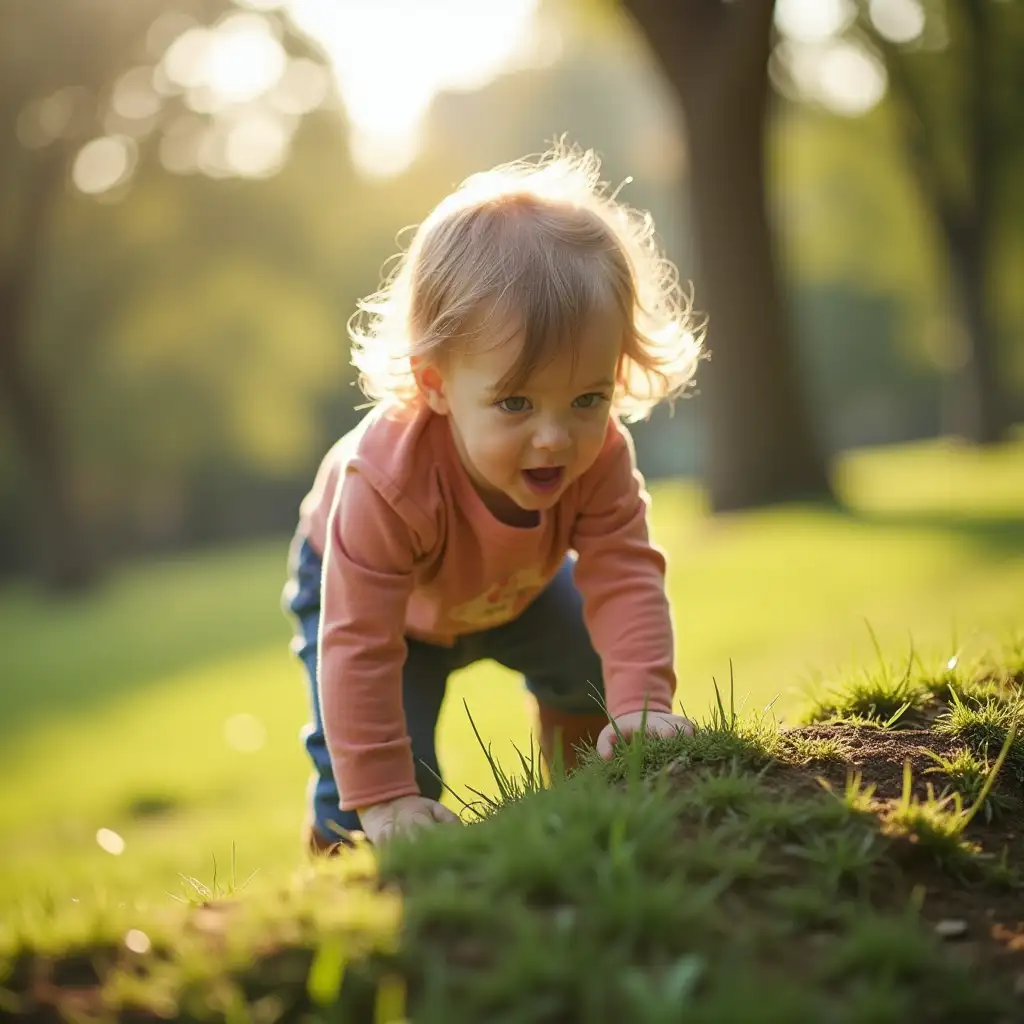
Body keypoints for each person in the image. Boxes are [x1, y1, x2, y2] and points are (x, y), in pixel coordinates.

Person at [282, 142, 703, 853]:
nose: (554, 439)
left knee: (595, 668)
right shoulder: (387, 483)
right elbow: (357, 644)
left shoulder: (598, 455)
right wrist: (384, 801)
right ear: (436, 384)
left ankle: (586, 795)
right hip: (380, 609)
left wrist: (641, 708)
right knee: (383, 782)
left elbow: (626, 575)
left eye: (586, 398)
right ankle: (336, 876)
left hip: (516, 588)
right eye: (515, 403)